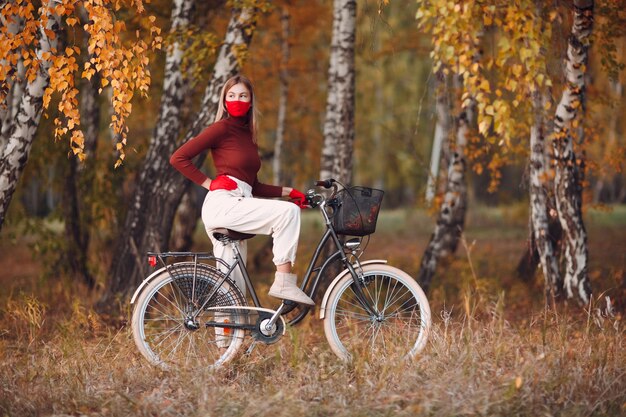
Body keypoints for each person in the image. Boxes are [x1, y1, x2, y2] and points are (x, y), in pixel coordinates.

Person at [170, 74, 314, 306]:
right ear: (224, 101)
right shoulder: (221, 128)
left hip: (240, 202)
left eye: (243, 95)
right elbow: (178, 157)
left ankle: (227, 343)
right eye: (232, 95)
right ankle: (284, 282)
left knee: (232, 290)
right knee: (288, 213)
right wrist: (209, 183)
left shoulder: (248, 137)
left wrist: (290, 191)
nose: (237, 100)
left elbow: (253, 185)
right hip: (224, 203)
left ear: (250, 101)